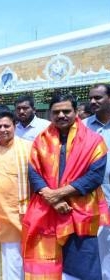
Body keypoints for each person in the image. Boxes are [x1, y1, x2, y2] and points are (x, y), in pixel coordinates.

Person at [22, 92, 109, 279]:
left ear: (76, 111)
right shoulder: (41, 140)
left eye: (66, 111)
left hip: (81, 212)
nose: (61, 115)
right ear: (51, 114)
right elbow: (33, 171)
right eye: (56, 112)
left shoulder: (93, 140)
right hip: (48, 210)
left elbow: (94, 176)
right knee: (48, 264)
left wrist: (58, 194)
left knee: (82, 267)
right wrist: (52, 198)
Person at [0, 109, 31, 279]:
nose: (3, 129)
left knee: (14, 259)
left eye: (7, 125)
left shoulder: (27, 148)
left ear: (15, 125)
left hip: (18, 214)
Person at [83, 83, 110, 279]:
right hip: (95, 197)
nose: (92, 102)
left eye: (98, 98)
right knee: (101, 246)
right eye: (91, 98)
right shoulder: (83, 127)